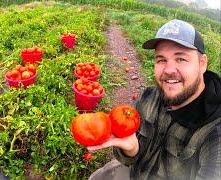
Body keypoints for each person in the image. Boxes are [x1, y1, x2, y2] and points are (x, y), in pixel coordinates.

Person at [88, 19, 221, 180]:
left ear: (202, 63)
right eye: (161, 60)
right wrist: (131, 150)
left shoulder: (214, 131)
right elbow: (129, 158)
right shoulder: (148, 98)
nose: (169, 70)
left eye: (181, 59)